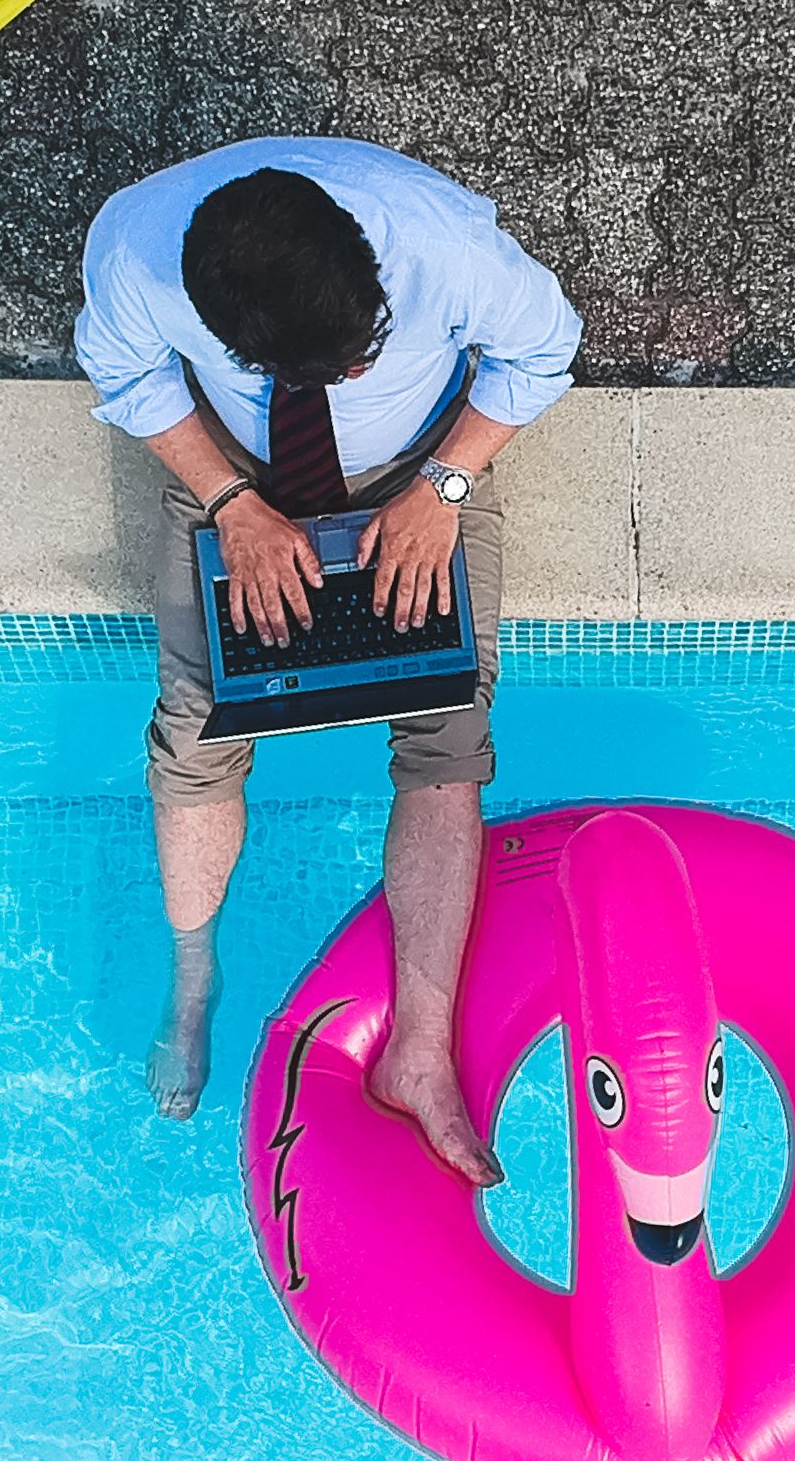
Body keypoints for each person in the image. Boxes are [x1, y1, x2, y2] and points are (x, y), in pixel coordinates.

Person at [74, 138, 583, 1185]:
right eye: (321, 374)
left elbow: (543, 353)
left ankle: (422, 1049)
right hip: (242, 470)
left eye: (363, 355)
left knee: (448, 733)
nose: (350, 378)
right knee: (198, 731)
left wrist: (441, 488)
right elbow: (126, 376)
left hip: (418, 465)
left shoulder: (442, 244)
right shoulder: (133, 255)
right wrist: (231, 502)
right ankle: (193, 975)